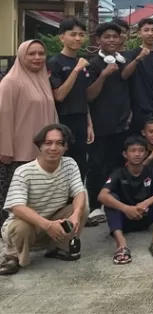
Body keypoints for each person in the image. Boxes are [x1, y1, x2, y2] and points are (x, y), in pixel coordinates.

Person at [0, 124, 87, 276]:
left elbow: (79, 191)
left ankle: (59, 247)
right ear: (39, 146)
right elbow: (16, 207)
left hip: (53, 222)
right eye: (48, 143)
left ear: (66, 147)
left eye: (59, 143)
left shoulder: (70, 164)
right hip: (28, 226)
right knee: (21, 226)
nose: (54, 148)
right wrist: (47, 225)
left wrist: (76, 214)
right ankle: (12, 255)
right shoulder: (24, 172)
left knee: (82, 206)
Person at [0, 40, 58, 220]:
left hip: (42, 152)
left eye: (41, 54)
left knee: (38, 200)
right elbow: (4, 116)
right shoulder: (11, 82)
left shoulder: (42, 80)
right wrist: (5, 149)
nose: (37, 58)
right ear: (21, 56)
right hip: (19, 154)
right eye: (31, 54)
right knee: (16, 201)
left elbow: (52, 112)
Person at [99, 136, 153, 264]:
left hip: (146, 215)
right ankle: (121, 245)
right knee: (111, 199)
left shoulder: (152, 170)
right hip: (125, 218)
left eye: (140, 151)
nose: (137, 154)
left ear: (146, 154)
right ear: (125, 154)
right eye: (133, 151)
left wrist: (146, 203)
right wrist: (126, 209)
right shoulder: (119, 173)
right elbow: (102, 195)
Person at [86, 22, 131, 226]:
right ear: (98, 40)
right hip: (99, 125)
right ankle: (95, 205)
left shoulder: (123, 63)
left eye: (115, 36)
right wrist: (104, 74)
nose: (112, 40)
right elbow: (89, 95)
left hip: (121, 124)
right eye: (107, 37)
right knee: (96, 165)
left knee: (117, 164)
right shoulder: (93, 64)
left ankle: (113, 200)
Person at [47, 17, 93, 178]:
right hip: (62, 120)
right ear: (62, 37)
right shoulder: (54, 62)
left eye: (81, 35)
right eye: (73, 34)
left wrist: (89, 124)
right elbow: (59, 95)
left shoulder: (81, 61)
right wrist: (76, 70)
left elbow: (83, 95)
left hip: (81, 119)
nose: (78, 38)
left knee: (80, 166)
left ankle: (77, 202)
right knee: (62, 165)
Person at [122, 18, 153, 132]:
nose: (150, 33)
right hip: (136, 109)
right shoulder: (131, 54)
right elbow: (124, 75)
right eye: (146, 30)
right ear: (139, 33)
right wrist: (139, 58)